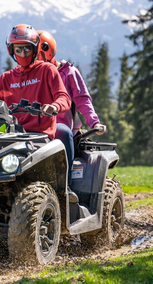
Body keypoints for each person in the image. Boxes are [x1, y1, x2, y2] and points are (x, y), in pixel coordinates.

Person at [0, 24, 71, 141]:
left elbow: (64, 98)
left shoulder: (47, 70)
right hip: (9, 135)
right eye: (18, 49)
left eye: (27, 48)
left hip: (40, 137)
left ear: (35, 49)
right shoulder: (6, 78)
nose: (23, 53)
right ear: (11, 51)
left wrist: (54, 106)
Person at [36, 30, 107, 194]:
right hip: (35, 129)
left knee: (62, 131)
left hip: (61, 130)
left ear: (48, 51)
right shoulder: (30, 75)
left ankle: (64, 189)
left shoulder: (68, 72)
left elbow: (83, 99)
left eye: (38, 54)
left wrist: (94, 122)